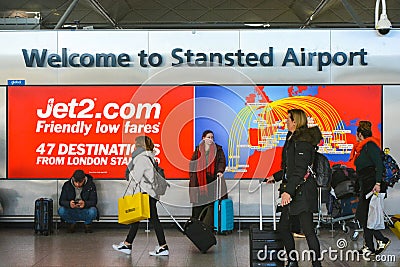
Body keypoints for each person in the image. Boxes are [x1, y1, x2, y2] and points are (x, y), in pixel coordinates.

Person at [265, 109, 323, 267]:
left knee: (308, 231)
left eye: (288, 119)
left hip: (302, 193)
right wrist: (276, 177)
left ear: (296, 121)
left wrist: (287, 192)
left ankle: (316, 264)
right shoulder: (291, 138)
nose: (286, 122)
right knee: (284, 228)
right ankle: (292, 261)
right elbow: (290, 167)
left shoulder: (302, 141)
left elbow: (300, 170)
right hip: (293, 190)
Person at [112, 135, 169, 256]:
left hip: (145, 194)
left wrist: (128, 194)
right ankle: (127, 244)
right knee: (138, 219)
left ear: (139, 146)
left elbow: (135, 178)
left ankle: (163, 247)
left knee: (152, 220)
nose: (134, 147)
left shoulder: (141, 158)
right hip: (150, 193)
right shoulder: (149, 157)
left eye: (136, 144)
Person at [349, 121, 391, 256]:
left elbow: (379, 165)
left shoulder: (370, 146)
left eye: (356, 134)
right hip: (366, 185)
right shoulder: (362, 148)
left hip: (372, 185)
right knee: (364, 216)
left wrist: (377, 183)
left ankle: (380, 240)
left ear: (360, 134)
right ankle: (370, 245)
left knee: (364, 216)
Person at [189, 130, 227, 223]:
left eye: (212, 137)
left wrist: (220, 171)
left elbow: (222, 161)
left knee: (211, 204)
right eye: (208, 137)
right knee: (198, 203)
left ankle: (208, 224)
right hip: (199, 181)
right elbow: (192, 164)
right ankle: (196, 224)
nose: (211, 139)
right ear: (203, 138)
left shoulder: (218, 149)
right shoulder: (198, 149)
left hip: (212, 180)